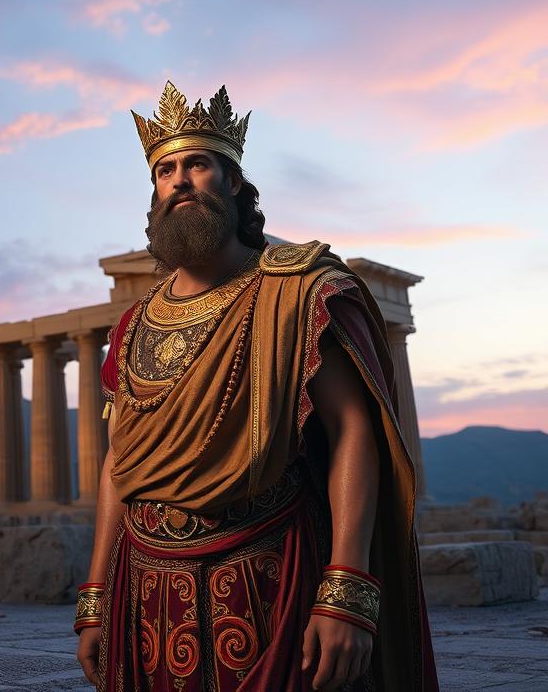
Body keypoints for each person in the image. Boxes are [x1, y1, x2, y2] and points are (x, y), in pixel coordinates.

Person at [74, 81, 439, 692]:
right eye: (166, 170)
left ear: (234, 182)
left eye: (198, 163)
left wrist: (346, 590)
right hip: (144, 588)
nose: (181, 180)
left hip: (270, 572)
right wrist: (94, 596)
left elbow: (352, 431)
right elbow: (120, 462)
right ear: (154, 191)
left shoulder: (294, 291)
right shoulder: (135, 324)